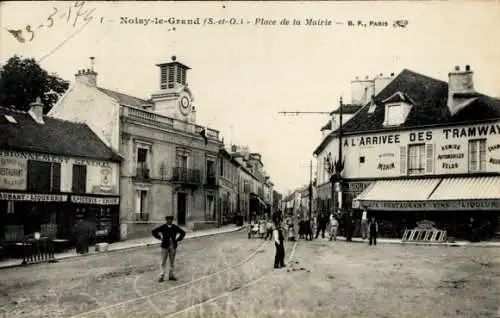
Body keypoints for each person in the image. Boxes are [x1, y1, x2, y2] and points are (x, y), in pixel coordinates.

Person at [152, 215, 186, 282]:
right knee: (163, 261)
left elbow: (183, 232)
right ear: (166, 220)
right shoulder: (163, 227)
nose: (169, 221)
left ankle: (171, 275)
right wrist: (160, 237)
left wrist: (178, 239)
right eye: (167, 220)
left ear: (172, 220)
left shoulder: (175, 227)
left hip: (173, 246)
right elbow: (153, 231)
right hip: (164, 246)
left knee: (172, 261)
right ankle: (162, 275)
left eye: (170, 220)